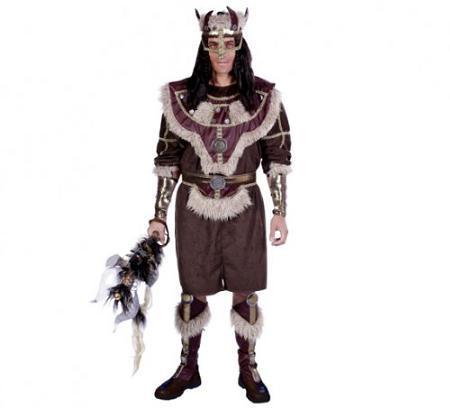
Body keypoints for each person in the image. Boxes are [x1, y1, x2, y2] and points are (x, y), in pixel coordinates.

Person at [147, 7, 292, 403]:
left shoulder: (263, 98)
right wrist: (158, 216)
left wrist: (279, 212)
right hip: (194, 206)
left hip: (245, 207)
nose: (223, 52)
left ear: (240, 45)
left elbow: (277, 157)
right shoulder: (181, 99)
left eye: (229, 44)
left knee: (245, 289)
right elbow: (166, 159)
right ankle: (188, 367)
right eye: (215, 45)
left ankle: (248, 367)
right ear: (205, 47)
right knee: (193, 290)